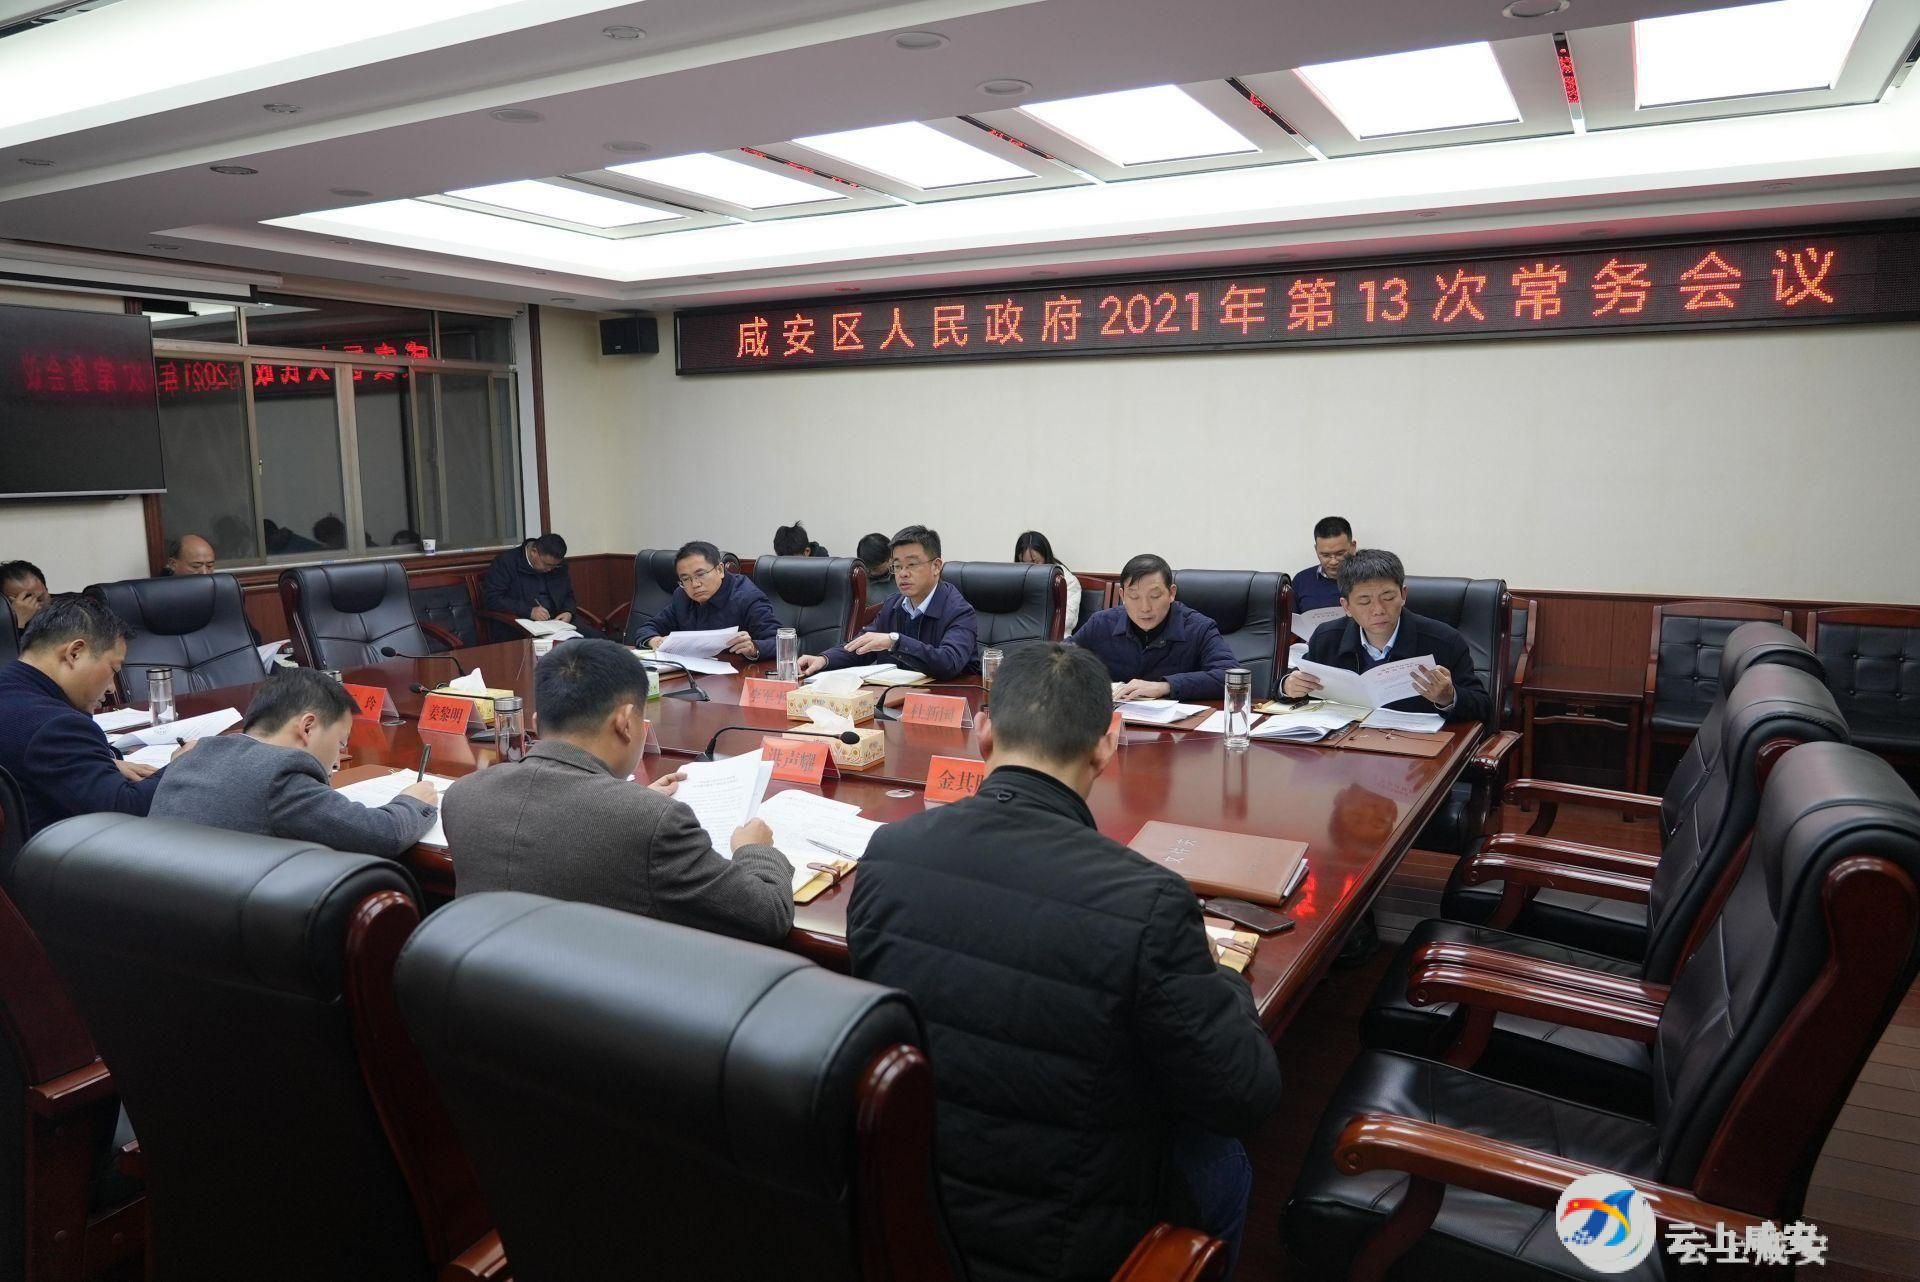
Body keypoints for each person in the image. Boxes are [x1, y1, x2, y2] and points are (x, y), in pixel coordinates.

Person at [847, 644, 1281, 1282]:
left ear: (984, 731)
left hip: (909, 1212)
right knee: (1221, 1158)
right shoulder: (1148, 900)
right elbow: (1245, 1097)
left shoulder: (890, 851)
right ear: (1107, 744)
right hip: (1064, 1245)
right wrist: (1221, 978)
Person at [442, 639, 794, 943]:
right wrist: (754, 850)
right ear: (626, 723)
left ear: (535, 724)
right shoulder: (652, 822)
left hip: (482, 994)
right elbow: (767, 915)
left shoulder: (464, 795)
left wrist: (634, 801)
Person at [150, 668, 437, 857]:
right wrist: (413, 803)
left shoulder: (194, 755)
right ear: (308, 727)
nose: (337, 759)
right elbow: (383, 835)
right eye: (340, 742)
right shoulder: (280, 775)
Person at [0, 596, 178, 835]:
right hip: (54, 854)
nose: (112, 688)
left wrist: (101, 760)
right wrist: (184, 766)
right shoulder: (57, 726)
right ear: (75, 653)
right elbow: (127, 811)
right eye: (113, 669)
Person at [1281, 547, 1489, 723]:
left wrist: (1449, 697)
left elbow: (1484, 707)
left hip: (1416, 748)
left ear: (1403, 595)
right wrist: (1288, 685)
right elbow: (1290, 683)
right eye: (1364, 601)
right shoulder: (1327, 637)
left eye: (1388, 597)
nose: (1378, 610)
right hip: (1346, 745)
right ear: (1346, 606)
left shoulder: (1444, 641)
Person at [799, 525, 976, 680]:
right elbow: (862, 645)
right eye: (897, 566)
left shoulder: (959, 611)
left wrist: (895, 641)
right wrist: (824, 659)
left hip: (942, 702)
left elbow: (948, 662)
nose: (903, 573)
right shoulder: (893, 605)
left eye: (912, 565)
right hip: (895, 698)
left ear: (936, 566)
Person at [1071, 554, 1234, 701]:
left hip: (1179, 723)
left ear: (1171, 593)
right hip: (1116, 719)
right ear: (1122, 595)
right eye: (1134, 596)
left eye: (1154, 596)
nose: (1145, 608)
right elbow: (1061, 658)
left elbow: (1229, 676)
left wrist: (1165, 686)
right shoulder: (1102, 623)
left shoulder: (1199, 627)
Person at [632, 540, 781, 660]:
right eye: (686, 579)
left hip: (735, 679)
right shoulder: (682, 596)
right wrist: (655, 640)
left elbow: (779, 642)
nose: (695, 584)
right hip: (693, 675)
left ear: (720, 570)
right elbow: (646, 629)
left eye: (701, 574)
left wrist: (754, 648)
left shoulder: (747, 597)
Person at [481, 533, 590, 638]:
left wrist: (568, 611)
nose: (550, 569)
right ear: (534, 552)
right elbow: (492, 599)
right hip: (520, 624)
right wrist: (529, 611)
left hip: (557, 623)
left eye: (554, 566)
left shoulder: (558, 565)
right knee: (569, 647)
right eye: (547, 564)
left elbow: (568, 594)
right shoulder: (507, 562)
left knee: (594, 640)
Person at [1014, 529, 1083, 633]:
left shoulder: (1068, 581)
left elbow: (1067, 622)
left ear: (1046, 557)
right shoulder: (1016, 578)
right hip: (1019, 634)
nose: (1029, 568)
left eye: (1035, 562)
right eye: (1024, 564)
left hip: (1053, 639)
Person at [1293, 516, 1356, 613]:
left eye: (1340, 554)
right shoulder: (1301, 580)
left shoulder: (1368, 578)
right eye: (1325, 555)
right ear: (1316, 550)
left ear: (1353, 547)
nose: (1333, 562)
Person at [1, 560, 50, 629]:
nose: (34, 607)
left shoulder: (64, 611)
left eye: (40, 599)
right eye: (23, 601)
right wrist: (16, 621)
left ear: (46, 590)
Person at [856, 531, 893, 597]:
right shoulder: (857, 580)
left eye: (875, 569)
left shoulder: (902, 575)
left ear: (890, 559)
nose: (869, 572)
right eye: (866, 567)